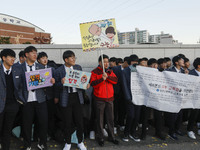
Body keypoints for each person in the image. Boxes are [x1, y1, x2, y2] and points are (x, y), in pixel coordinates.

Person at [20, 46, 55, 150]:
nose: (35, 55)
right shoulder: (19, 68)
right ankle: (27, 145)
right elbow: (17, 85)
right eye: (32, 53)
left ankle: (42, 143)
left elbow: (45, 83)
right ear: (26, 55)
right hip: (27, 100)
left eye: (36, 52)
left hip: (40, 100)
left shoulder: (41, 67)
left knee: (43, 122)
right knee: (27, 124)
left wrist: (51, 82)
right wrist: (21, 98)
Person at [54, 50, 87, 150]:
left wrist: (86, 84)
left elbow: (83, 82)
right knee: (67, 122)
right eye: (71, 58)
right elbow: (56, 86)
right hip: (66, 98)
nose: (74, 60)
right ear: (66, 59)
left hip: (77, 97)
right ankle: (67, 142)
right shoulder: (58, 70)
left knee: (79, 122)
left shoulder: (78, 67)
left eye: (74, 58)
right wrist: (61, 82)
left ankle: (80, 142)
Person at [90, 54, 119, 147]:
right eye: (104, 62)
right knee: (99, 119)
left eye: (107, 62)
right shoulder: (94, 72)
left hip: (110, 98)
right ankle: (101, 137)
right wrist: (102, 79)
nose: (106, 64)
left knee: (110, 119)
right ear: (99, 63)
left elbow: (115, 80)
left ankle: (112, 137)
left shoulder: (110, 71)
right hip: (99, 99)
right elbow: (93, 84)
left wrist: (108, 77)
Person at [0, 49, 24, 150]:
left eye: (14, 57)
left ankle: (5, 147)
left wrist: (20, 100)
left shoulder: (16, 70)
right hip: (0, 104)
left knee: (7, 129)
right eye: (10, 57)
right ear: (3, 58)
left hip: (12, 105)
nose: (13, 59)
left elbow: (22, 85)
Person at [122, 54, 141, 142]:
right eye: (134, 61)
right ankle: (126, 133)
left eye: (137, 61)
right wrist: (128, 98)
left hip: (138, 97)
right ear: (130, 62)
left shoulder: (140, 70)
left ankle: (133, 133)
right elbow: (124, 86)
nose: (135, 63)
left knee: (136, 116)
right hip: (129, 98)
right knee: (131, 116)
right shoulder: (125, 71)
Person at [165, 55, 185, 140]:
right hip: (172, 97)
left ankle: (177, 129)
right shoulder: (170, 71)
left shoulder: (183, 71)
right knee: (173, 116)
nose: (183, 61)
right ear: (176, 62)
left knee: (180, 115)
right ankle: (171, 132)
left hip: (181, 97)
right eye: (181, 60)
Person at [37, 52, 56, 140]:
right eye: (42, 58)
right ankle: (40, 135)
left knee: (51, 116)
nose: (45, 60)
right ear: (38, 60)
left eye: (46, 58)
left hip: (50, 96)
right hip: (39, 97)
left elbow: (57, 83)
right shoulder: (35, 70)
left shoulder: (51, 69)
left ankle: (50, 134)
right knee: (40, 117)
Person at [112, 57, 130, 132]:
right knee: (115, 110)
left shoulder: (130, 70)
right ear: (125, 62)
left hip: (125, 93)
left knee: (123, 110)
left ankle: (121, 123)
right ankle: (114, 125)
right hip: (116, 93)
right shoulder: (115, 69)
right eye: (128, 64)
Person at [186, 58, 200, 139]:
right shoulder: (191, 73)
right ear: (198, 66)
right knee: (193, 114)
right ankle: (190, 130)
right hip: (194, 98)